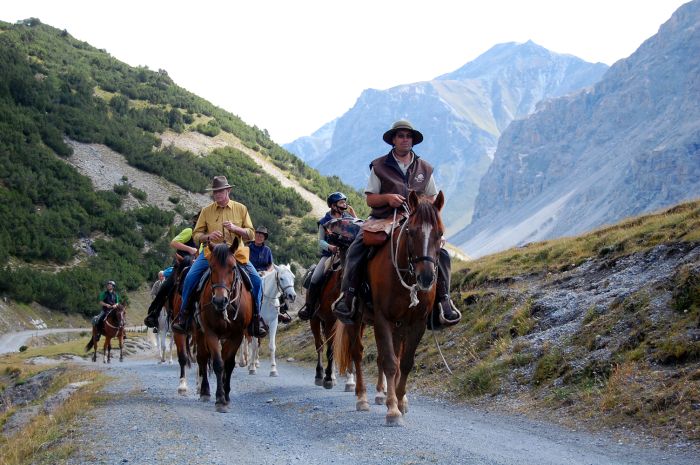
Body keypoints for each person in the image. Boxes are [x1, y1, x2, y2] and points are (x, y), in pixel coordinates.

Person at [332, 120, 461, 329]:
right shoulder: (379, 165)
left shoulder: (425, 169)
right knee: (358, 245)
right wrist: (388, 198)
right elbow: (370, 199)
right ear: (393, 140)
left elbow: (432, 198)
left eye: (408, 136)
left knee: (442, 254)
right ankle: (349, 296)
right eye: (400, 136)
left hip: (415, 219)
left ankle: (443, 301)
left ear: (413, 140)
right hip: (383, 218)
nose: (405, 139)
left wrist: (419, 205)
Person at [172, 176, 267, 337]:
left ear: (228, 190)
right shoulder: (206, 211)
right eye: (215, 192)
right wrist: (208, 236)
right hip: (212, 253)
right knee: (189, 278)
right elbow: (196, 235)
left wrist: (236, 229)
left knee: (257, 281)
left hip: (235, 253)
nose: (217, 194)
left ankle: (256, 320)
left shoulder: (241, 208)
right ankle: (184, 316)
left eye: (220, 191)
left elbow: (250, 233)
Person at [298, 192, 356, 321]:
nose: (344, 204)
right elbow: (321, 241)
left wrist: (355, 217)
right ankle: (309, 307)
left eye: (344, 202)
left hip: (348, 252)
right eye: (341, 202)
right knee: (315, 277)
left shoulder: (348, 217)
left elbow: (357, 231)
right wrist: (331, 247)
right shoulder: (324, 222)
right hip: (330, 255)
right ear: (334, 205)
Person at [143, 212, 200, 330]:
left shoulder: (206, 235)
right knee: (165, 288)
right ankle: (154, 313)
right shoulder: (190, 231)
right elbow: (174, 242)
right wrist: (190, 249)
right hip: (182, 266)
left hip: (197, 267)